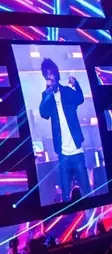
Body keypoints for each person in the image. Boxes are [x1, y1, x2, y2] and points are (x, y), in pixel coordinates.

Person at [39, 58, 90, 202]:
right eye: (46, 76)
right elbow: (44, 114)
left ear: (56, 75)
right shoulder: (46, 96)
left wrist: (77, 85)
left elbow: (80, 99)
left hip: (77, 151)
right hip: (62, 154)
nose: (49, 79)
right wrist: (48, 94)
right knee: (66, 195)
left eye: (51, 75)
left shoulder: (67, 91)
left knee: (85, 191)